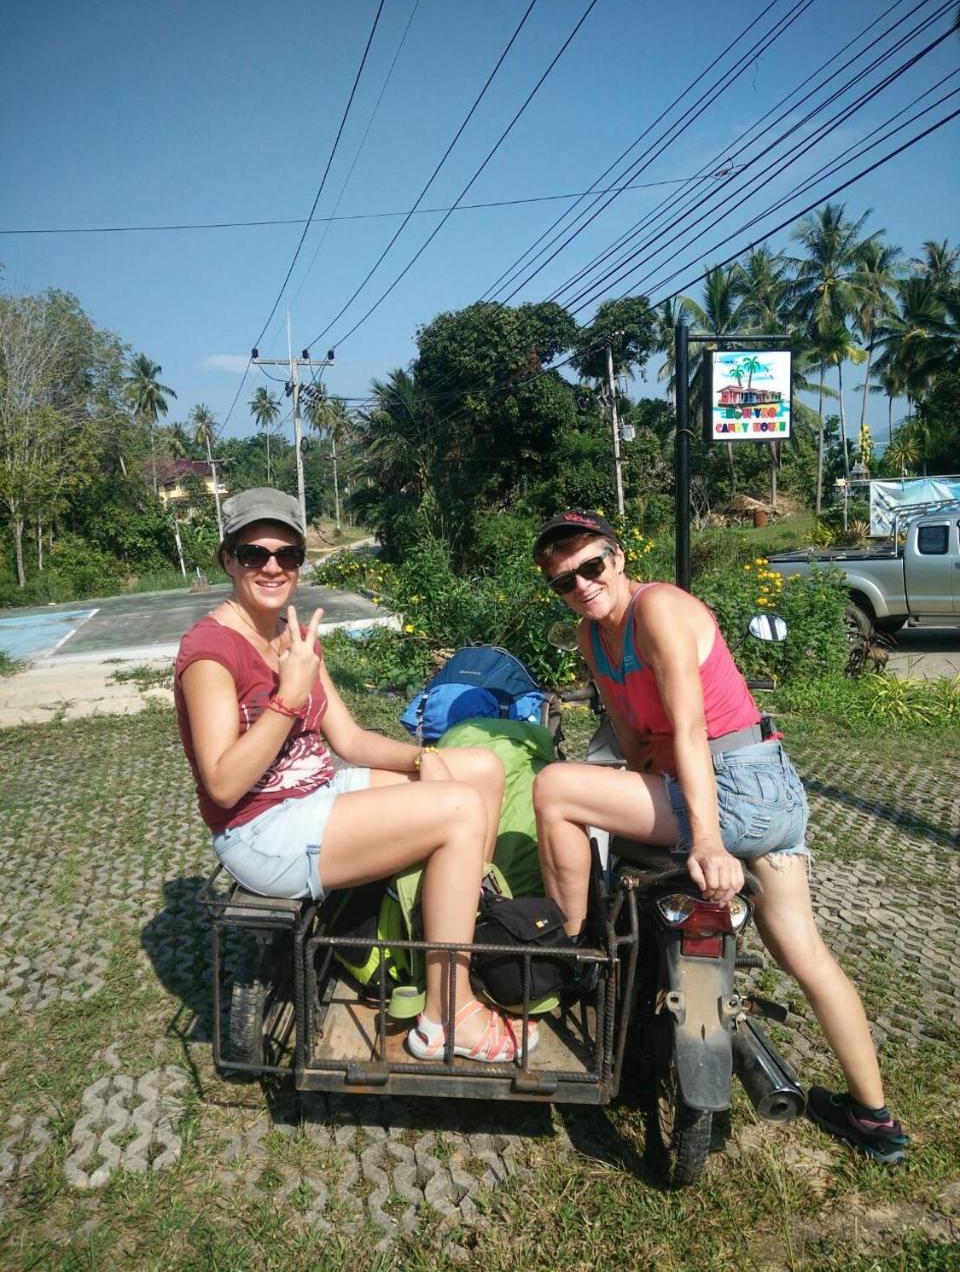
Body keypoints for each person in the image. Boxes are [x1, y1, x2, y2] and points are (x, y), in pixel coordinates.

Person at [531, 509, 907, 1164]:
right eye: (565, 581)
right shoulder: (595, 641)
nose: (583, 584)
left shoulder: (661, 611)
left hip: (735, 789)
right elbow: (634, 744)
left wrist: (705, 839)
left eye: (592, 566)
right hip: (772, 795)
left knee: (555, 789)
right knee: (804, 952)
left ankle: (572, 954)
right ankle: (874, 1119)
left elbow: (689, 732)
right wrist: (649, 788)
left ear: (618, 559)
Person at [175, 487, 534, 1064]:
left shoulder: (289, 637)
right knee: (460, 809)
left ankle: (457, 937)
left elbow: (348, 740)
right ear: (227, 559)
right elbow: (222, 784)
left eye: (287, 555)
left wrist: (422, 758)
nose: (272, 566)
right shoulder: (211, 653)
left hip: (319, 795)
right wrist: (288, 699)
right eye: (253, 554)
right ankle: (450, 1014)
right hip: (265, 831)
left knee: (481, 770)